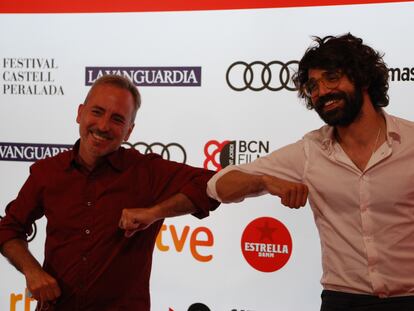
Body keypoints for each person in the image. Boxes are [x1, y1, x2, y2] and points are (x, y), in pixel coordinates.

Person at [207, 33, 414, 311]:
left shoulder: (410, 143)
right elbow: (218, 186)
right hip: (342, 301)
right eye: (313, 86)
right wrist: (266, 181)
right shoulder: (310, 150)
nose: (322, 92)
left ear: (363, 78)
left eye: (332, 77)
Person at [0, 74, 219, 310]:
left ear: (129, 131)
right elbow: (9, 229)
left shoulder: (147, 171)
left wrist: (154, 212)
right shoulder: (48, 172)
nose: (103, 126)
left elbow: (212, 185)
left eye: (117, 119)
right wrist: (32, 271)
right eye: (97, 112)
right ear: (79, 113)